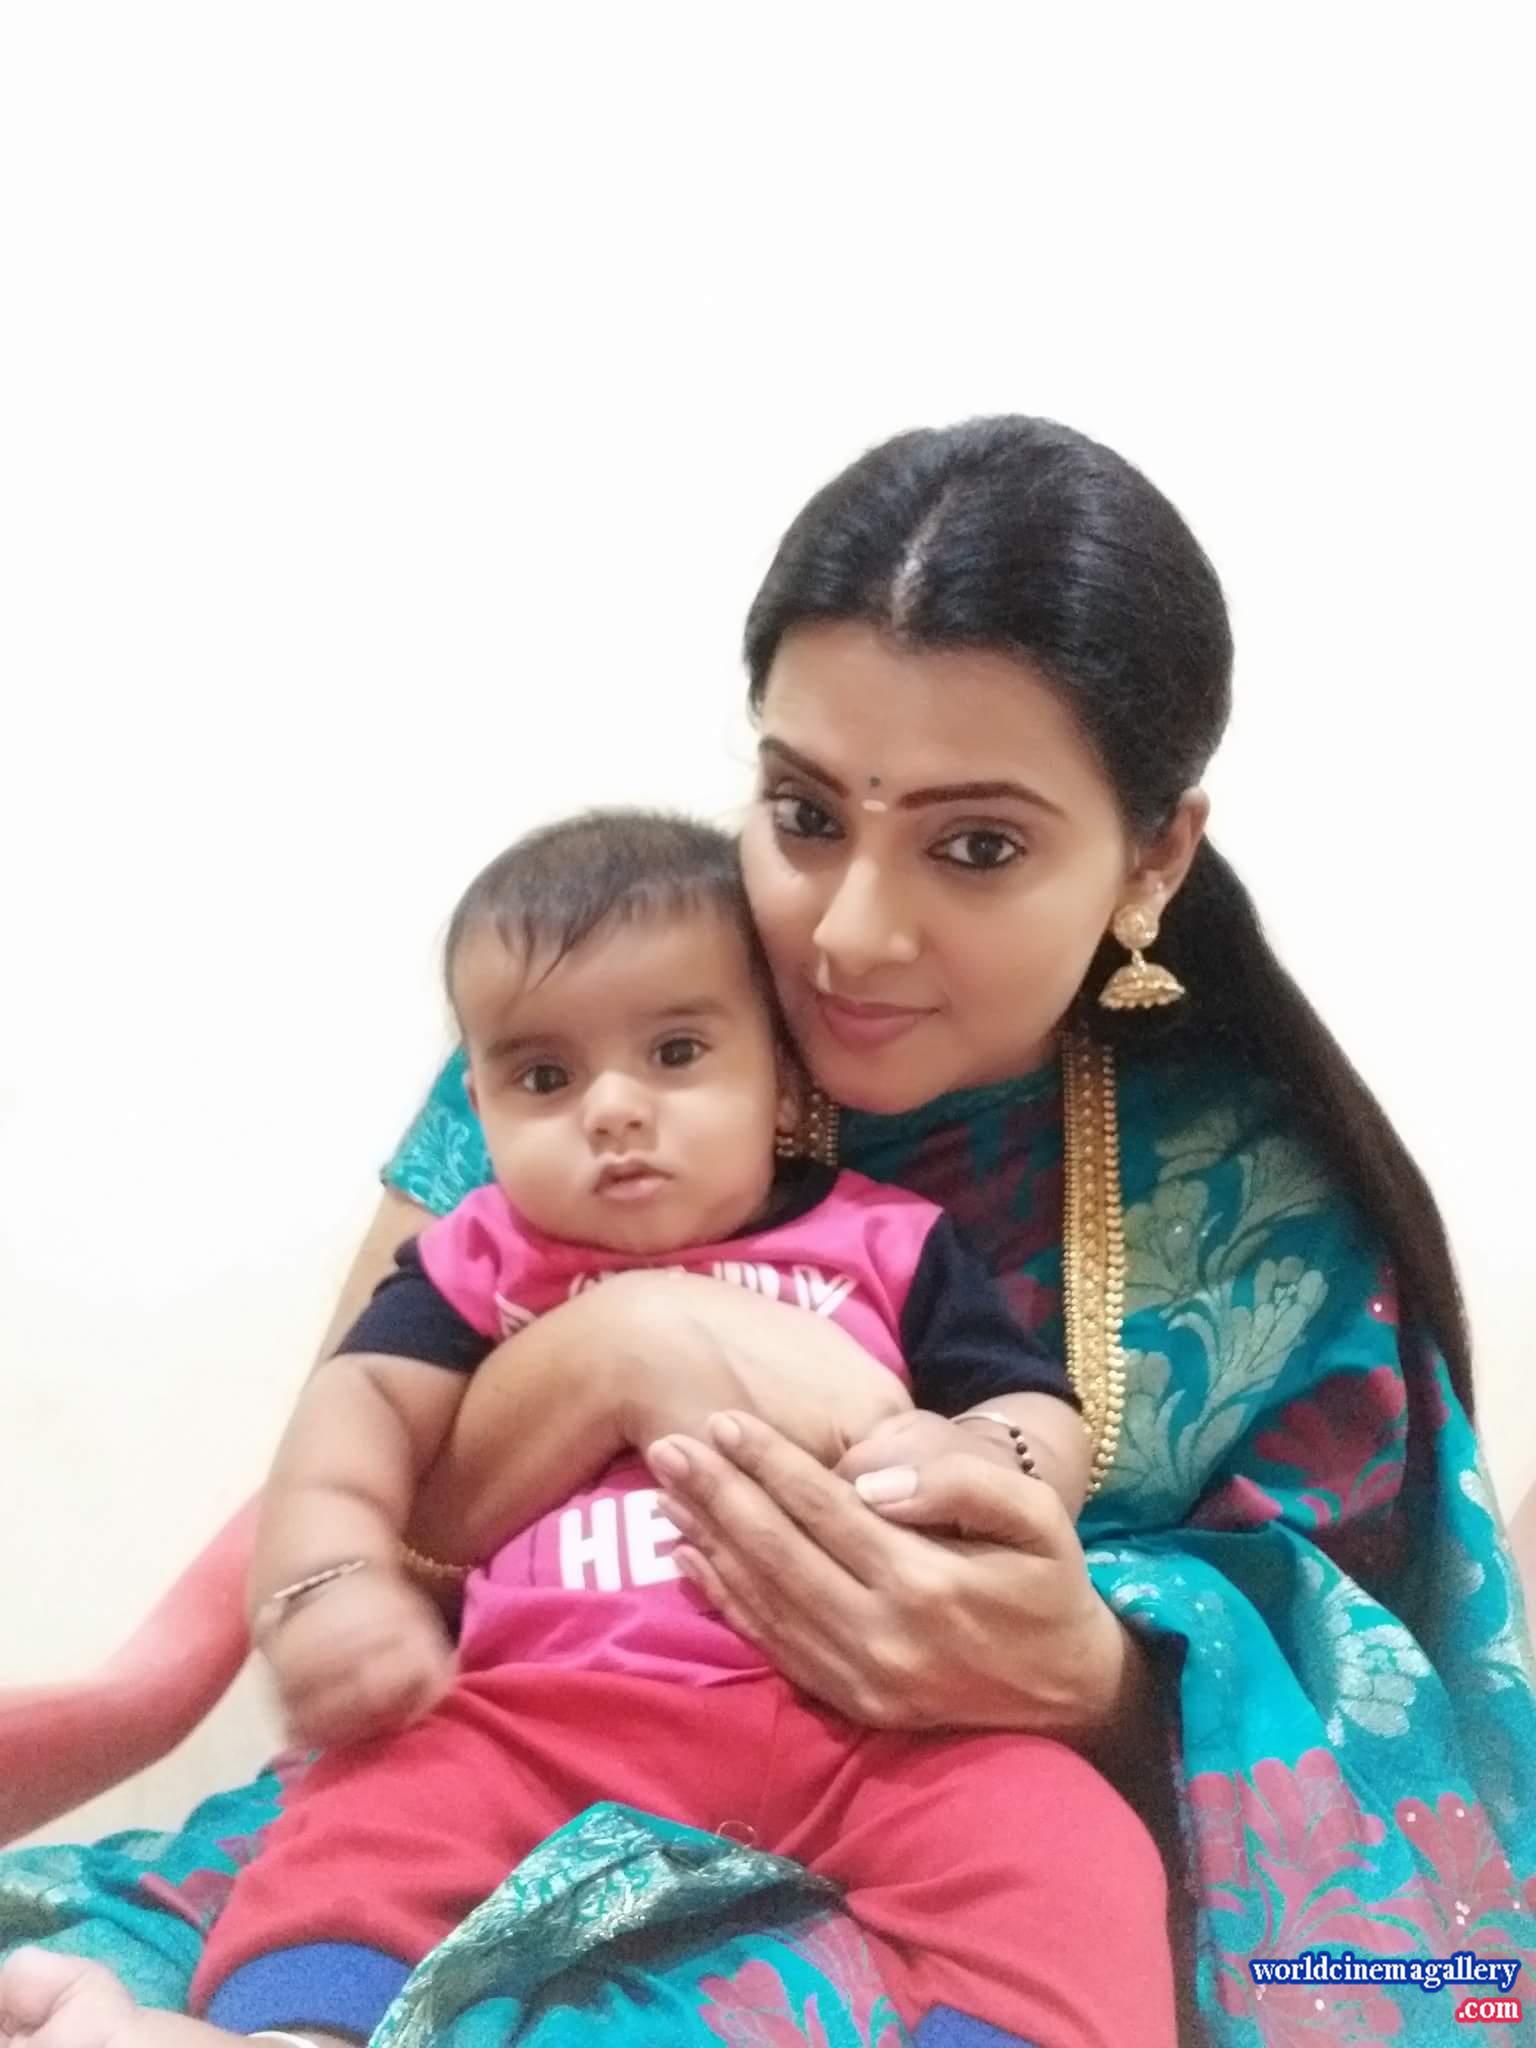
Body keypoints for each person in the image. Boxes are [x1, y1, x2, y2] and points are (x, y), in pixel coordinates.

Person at [3, 415, 1534, 2048]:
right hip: (508, 1775)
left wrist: (1089, 1670)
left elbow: (1391, 1736)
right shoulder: (605, 1043)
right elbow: (379, 1508)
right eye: (805, 813)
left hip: (949, 1848)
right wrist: (614, 1354)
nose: (852, 934)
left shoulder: (1256, 1199)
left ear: (1154, 854)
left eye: (976, 847)